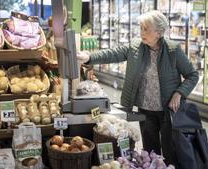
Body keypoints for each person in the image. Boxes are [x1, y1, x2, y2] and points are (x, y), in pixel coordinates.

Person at [77, 10, 199, 165]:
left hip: (168, 111)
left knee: (171, 152)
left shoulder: (173, 50)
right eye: (140, 27)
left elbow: (193, 75)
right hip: (145, 110)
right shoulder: (136, 46)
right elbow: (113, 54)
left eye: (145, 29)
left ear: (159, 32)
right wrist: (89, 57)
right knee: (150, 152)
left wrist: (179, 93)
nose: (141, 32)